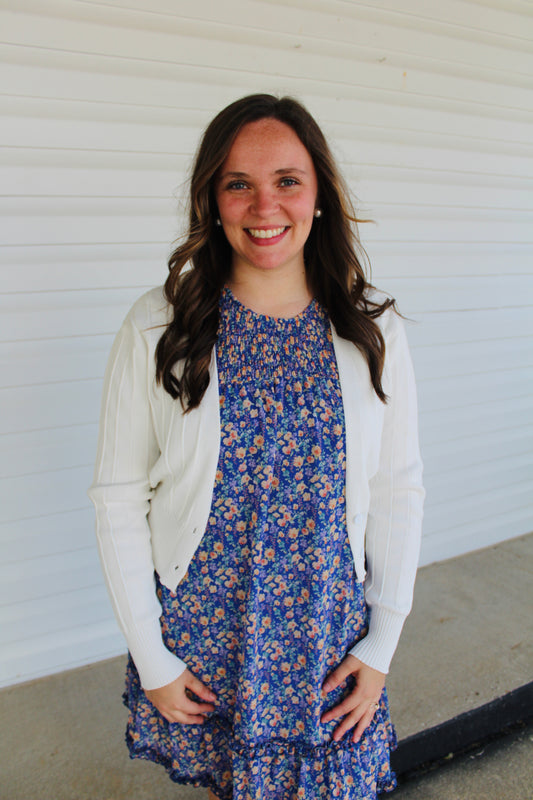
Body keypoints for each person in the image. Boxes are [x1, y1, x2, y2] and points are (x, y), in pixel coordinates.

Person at [89, 93, 424, 800]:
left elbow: (398, 487)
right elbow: (117, 498)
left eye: (286, 181)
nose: (263, 205)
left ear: (319, 196)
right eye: (237, 183)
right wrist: (152, 657)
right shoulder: (159, 324)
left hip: (325, 635)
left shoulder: (373, 328)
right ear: (211, 200)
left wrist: (382, 639)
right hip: (209, 630)